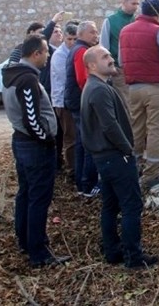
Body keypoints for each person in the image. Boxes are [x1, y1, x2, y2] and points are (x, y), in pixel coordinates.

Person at [81, 45, 159, 269]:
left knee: (111, 204)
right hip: (114, 157)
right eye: (105, 57)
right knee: (131, 206)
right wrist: (128, 150)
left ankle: (112, 250)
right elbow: (110, 126)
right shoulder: (97, 89)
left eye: (109, 55)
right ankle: (134, 257)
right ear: (92, 65)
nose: (111, 59)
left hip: (106, 157)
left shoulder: (98, 86)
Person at [2, 34, 70, 268]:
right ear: (36, 54)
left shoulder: (14, 75)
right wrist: (47, 140)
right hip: (34, 147)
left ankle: (25, 239)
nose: (48, 56)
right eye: (45, 52)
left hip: (23, 143)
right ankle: (38, 252)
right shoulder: (27, 79)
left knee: (27, 193)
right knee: (38, 199)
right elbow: (31, 118)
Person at [119, 0, 159, 188]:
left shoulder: (125, 31)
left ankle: (135, 165)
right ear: (158, 12)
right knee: (157, 128)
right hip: (156, 87)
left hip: (133, 88)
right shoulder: (158, 31)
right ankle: (152, 171)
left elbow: (120, 62)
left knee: (136, 127)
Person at [64, 20, 100, 196]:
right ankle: (88, 184)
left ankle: (81, 182)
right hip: (81, 103)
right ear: (82, 34)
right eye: (92, 32)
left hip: (77, 102)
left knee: (81, 143)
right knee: (88, 143)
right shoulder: (81, 52)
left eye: (96, 32)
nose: (96, 35)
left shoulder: (77, 50)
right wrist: (93, 100)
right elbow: (83, 80)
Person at [100, 0, 140, 104]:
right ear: (124, 2)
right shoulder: (110, 21)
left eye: (137, 4)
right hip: (119, 71)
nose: (136, 7)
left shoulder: (137, 21)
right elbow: (104, 48)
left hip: (136, 70)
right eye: (133, 4)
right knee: (126, 104)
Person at [50, 21, 79, 180]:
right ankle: (72, 169)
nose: (72, 42)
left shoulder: (75, 52)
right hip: (63, 101)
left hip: (72, 99)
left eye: (75, 39)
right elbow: (68, 79)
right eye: (69, 39)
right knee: (70, 136)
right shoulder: (60, 56)